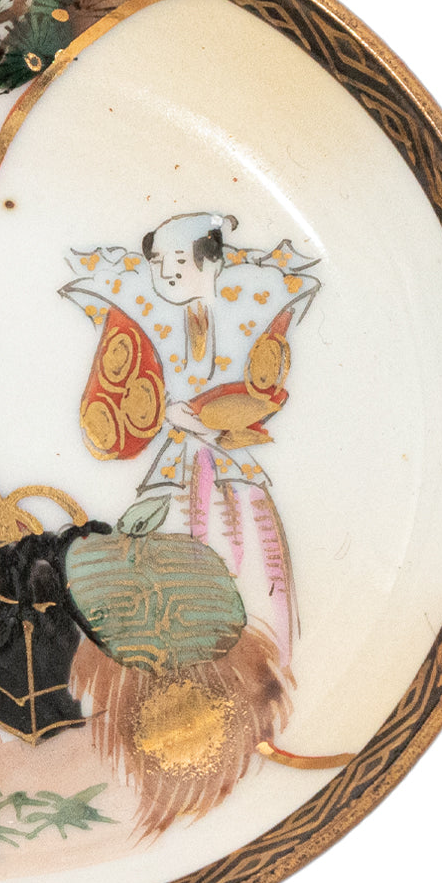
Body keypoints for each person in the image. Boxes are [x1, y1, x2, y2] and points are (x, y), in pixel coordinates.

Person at [59, 211, 319, 669]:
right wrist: (167, 414)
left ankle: (265, 666)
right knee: (166, 571)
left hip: (229, 470)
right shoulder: (151, 315)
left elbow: (262, 395)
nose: (167, 272)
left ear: (212, 260)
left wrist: (204, 422)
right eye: (158, 262)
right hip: (174, 469)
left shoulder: (251, 312)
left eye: (179, 260)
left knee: (242, 555)